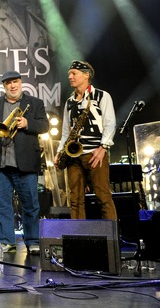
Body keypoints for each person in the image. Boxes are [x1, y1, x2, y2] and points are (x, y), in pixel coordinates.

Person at [0, 71, 49, 255]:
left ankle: (33, 241)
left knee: (30, 205)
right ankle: (7, 241)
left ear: (21, 83)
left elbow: (45, 126)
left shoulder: (35, 103)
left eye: (15, 82)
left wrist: (28, 124)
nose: (12, 86)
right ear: (3, 86)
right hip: (1, 162)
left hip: (26, 162)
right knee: (2, 205)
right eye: (8, 83)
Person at [55, 60, 117, 220]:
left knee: (103, 196)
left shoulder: (102, 96)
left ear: (86, 75)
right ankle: (78, 237)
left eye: (74, 73)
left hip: (95, 153)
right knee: (75, 199)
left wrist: (102, 148)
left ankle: (111, 238)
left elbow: (110, 124)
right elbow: (66, 132)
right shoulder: (70, 102)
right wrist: (59, 151)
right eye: (69, 73)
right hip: (73, 156)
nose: (70, 76)